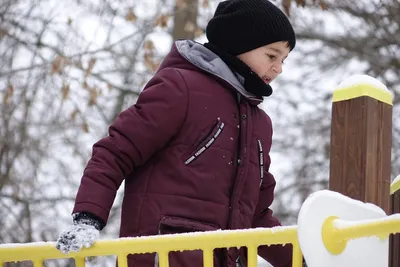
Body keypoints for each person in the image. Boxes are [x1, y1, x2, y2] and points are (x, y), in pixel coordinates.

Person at [56, 0, 299, 266]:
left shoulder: (259, 125)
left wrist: (302, 259)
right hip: (163, 257)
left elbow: (256, 214)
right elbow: (115, 152)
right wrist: (88, 218)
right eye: (272, 56)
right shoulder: (180, 88)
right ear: (240, 42)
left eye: (283, 60)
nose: (279, 68)